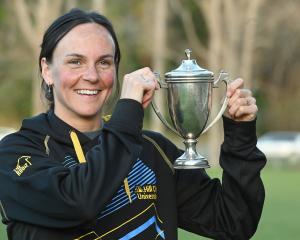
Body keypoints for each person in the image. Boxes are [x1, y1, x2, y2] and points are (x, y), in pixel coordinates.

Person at [0, 8, 266, 240]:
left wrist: (239, 136)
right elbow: (77, 203)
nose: (91, 76)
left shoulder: (152, 151)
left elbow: (233, 223)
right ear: (47, 70)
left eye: (104, 62)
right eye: (75, 61)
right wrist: (127, 111)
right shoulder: (16, 153)